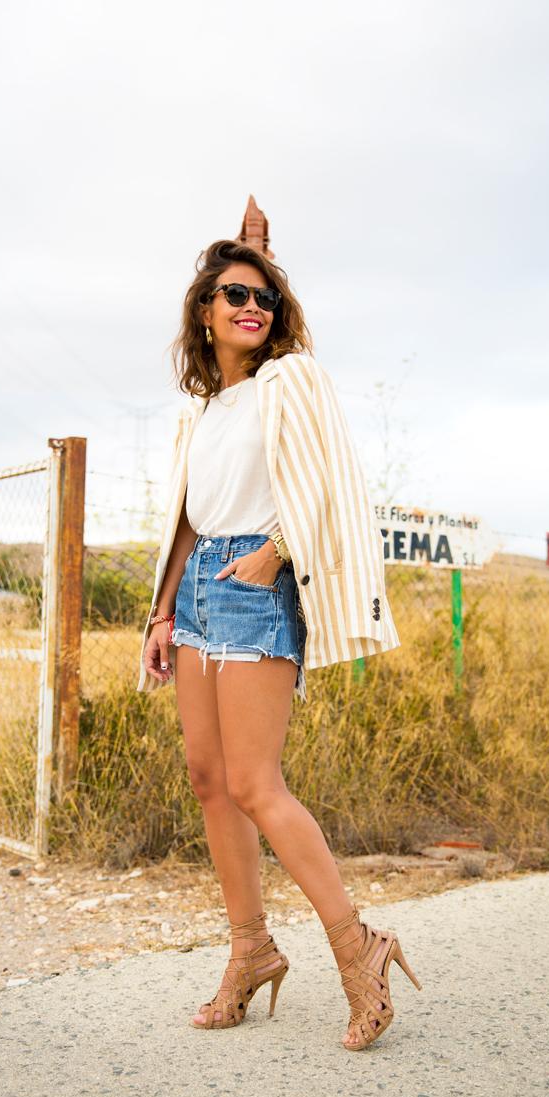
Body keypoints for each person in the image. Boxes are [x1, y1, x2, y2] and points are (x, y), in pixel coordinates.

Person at [137, 239, 422, 1050]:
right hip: (195, 592)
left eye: (262, 295)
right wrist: (160, 614)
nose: (249, 306)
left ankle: (357, 947)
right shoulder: (201, 410)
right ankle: (251, 949)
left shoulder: (286, 382)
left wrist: (279, 548)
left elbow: (324, 476)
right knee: (209, 780)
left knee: (258, 783)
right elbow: (188, 516)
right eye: (232, 294)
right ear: (204, 311)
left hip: (256, 585)